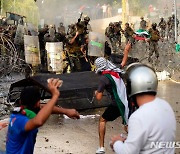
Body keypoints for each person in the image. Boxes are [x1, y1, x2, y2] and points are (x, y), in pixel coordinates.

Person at [110, 63, 176, 154]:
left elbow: (127, 152)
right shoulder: (166, 106)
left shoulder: (138, 117)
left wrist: (116, 142)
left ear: (131, 87)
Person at [6, 78, 80, 154]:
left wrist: (66, 111)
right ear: (37, 103)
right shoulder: (22, 120)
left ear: (21, 101)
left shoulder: (18, 113)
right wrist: (55, 95)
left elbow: (43, 108)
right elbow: (39, 121)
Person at [94, 57, 129, 154]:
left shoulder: (103, 79)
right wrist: (126, 50)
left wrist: (97, 92)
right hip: (126, 101)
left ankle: (101, 148)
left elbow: (99, 97)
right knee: (127, 125)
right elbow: (123, 62)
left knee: (102, 120)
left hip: (116, 104)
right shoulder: (116, 71)